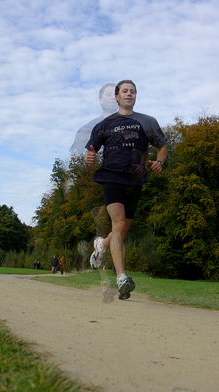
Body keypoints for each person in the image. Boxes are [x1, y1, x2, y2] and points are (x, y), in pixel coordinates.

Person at [85, 80, 167, 300]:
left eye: (132, 91)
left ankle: (101, 245)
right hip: (111, 176)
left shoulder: (147, 121)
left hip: (136, 180)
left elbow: (162, 146)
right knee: (119, 223)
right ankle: (122, 278)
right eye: (125, 91)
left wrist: (160, 162)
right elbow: (90, 154)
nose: (129, 94)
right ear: (117, 97)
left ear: (135, 96)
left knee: (120, 231)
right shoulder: (104, 124)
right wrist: (89, 157)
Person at [70, 83, 118, 157]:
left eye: (115, 95)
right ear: (100, 100)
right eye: (109, 95)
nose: (112, 98)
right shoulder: (86, 129)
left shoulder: (133, 126)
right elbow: (74, 159)